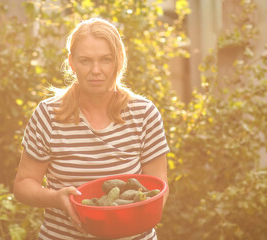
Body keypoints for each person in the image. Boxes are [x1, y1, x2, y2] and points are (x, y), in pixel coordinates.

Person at [13, 18, 169, 240]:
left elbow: (159, 188)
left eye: (105, 60)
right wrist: (55, 198)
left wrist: (126, 222)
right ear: (72, 62)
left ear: (119, 61)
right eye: (85, 60)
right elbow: (23, 185)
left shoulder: (144, 113)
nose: (96, 70)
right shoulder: (49, 115)